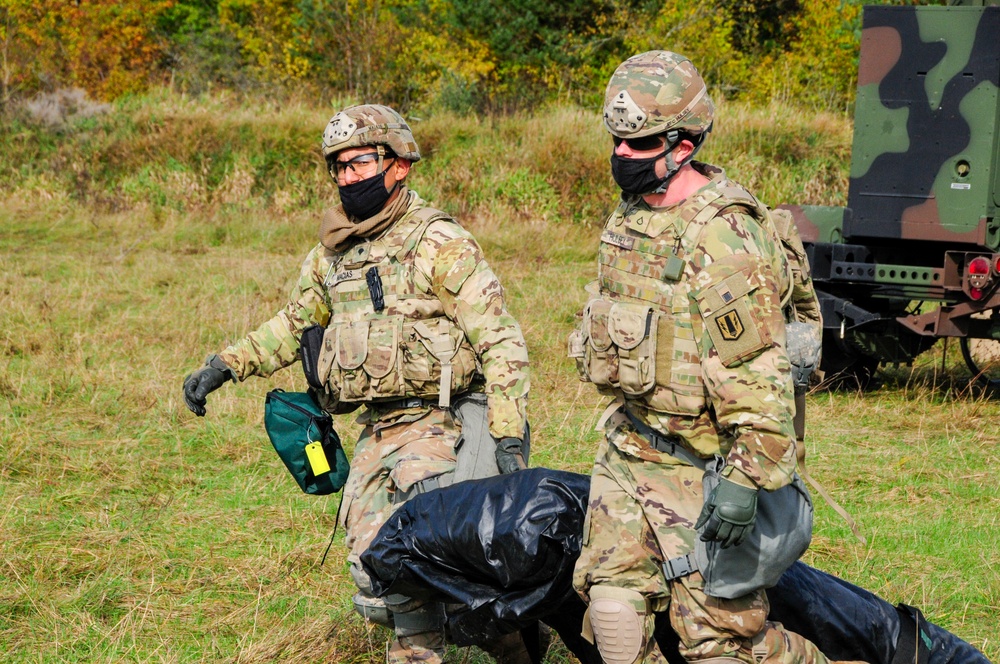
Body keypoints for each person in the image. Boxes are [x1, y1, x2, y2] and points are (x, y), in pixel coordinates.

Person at [182, 104, 530, 664]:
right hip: (378, 430)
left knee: (445, 572)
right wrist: (223, 365)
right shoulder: (333, 253)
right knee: (379, 568)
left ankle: (507, 639)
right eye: (339, 167)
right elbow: (292, 324)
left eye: (361, 162)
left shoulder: (438, 241)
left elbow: (500, 340)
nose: (349, 177)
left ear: (399, 166)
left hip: (443, 423)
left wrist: (507, 436)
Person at [568, 52, 846, 664]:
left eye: (638, 144)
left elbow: (760, 374)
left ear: (684, 143)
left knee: (719, 645)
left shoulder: (722, 235)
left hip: (710, 464)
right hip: (630, 448)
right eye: (617, 140)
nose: (622, 155)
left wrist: (746, 481)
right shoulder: (633, 215)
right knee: (613, 615)